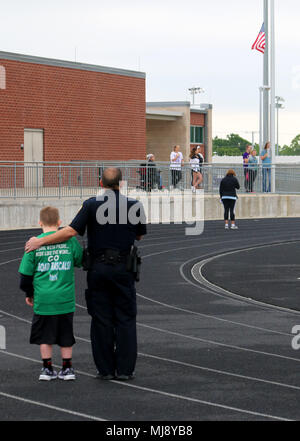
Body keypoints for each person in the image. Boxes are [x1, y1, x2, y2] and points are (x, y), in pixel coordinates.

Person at [25, 168, 147, 382]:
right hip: (123, 269)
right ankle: (126, 370)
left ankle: (105, 369)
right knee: (126, 319)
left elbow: (71, 231)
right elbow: (139, 235)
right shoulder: (135, 205)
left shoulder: (91, 205)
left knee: (101, 318)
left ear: (101, 183)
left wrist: (40, 241)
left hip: (98, 269)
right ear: (122, 182)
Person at [19, 206, 83, 381]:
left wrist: (29, 293)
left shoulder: (33, 244)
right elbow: (80, 259)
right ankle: (67, 367)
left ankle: (47, 368)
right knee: (66, 335)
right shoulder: (69, 242)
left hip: (43, 299)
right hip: (65, 299)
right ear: (59, 222)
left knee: (45, 336)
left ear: (40, 223)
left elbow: (25, 275)